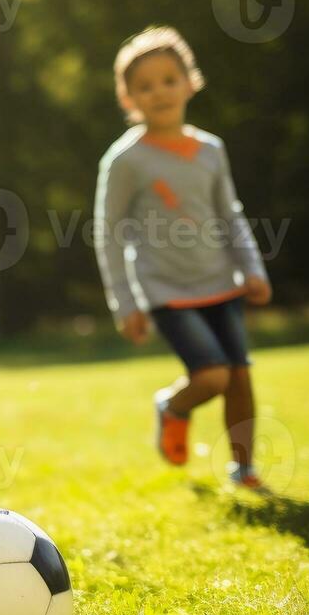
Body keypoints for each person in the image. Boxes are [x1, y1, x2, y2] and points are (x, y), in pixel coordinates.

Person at [93, 26, 272, 491]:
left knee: (239, 378)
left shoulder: (211, 149)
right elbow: (108, 234)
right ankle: (172, 406)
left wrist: (252, 269)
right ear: (128, 98)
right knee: (211, 376)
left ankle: (245, 470)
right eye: (145, 86)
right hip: (165, 289)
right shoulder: (125, 160)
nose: (159, 92)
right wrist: (125, 304)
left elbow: (230, 215)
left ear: (190, 82)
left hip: (222, 280)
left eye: (169, 79)